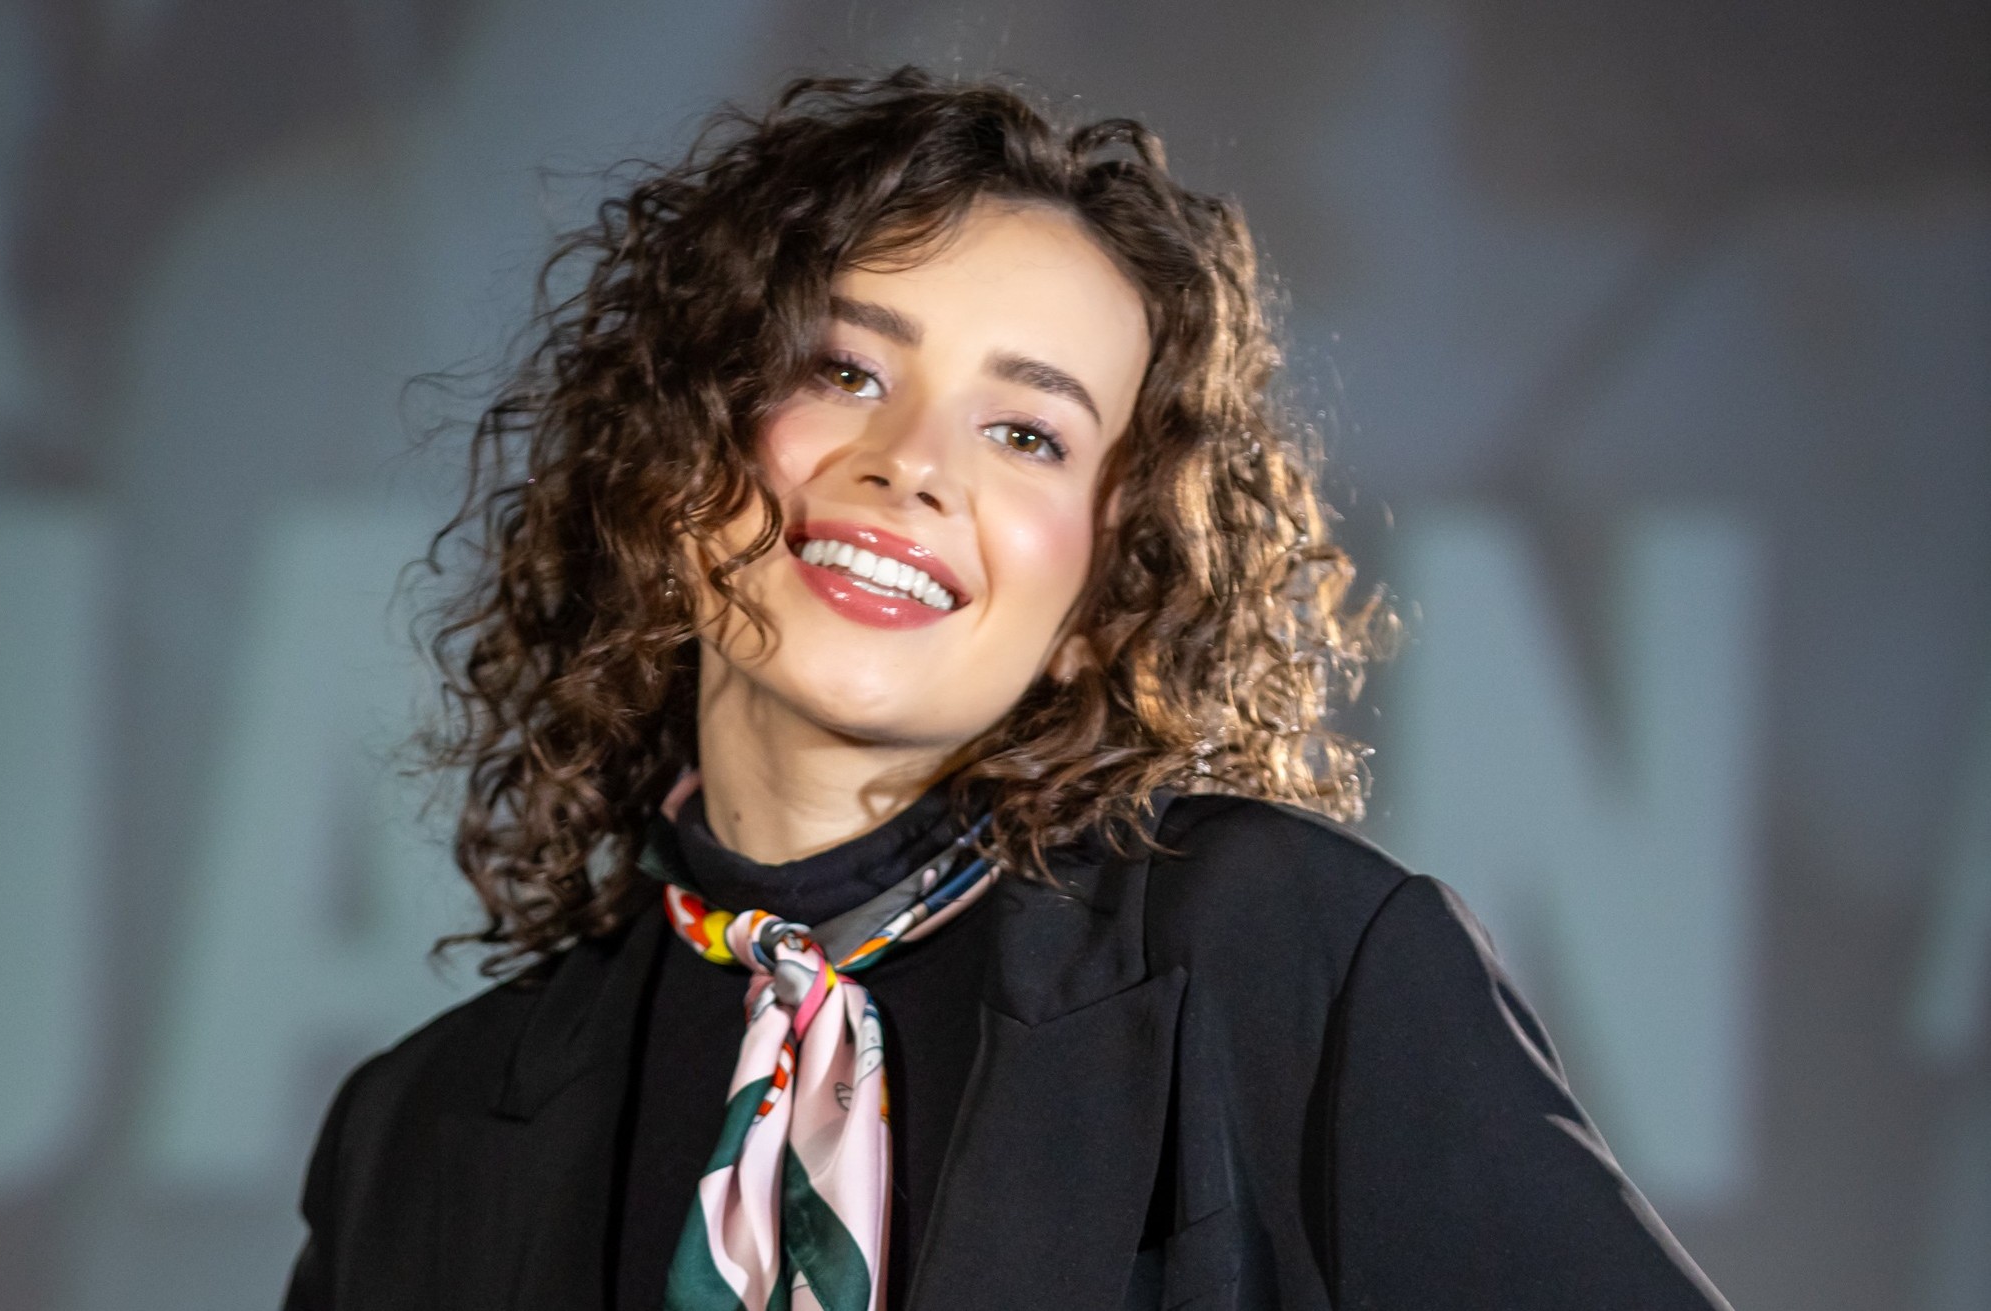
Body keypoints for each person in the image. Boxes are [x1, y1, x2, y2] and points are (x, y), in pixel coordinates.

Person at [281, 68, 1732, 1311]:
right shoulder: (411, 1137)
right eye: (845, 370)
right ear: (680, 454)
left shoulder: (1296, 959)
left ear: (1109, 595)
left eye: (1028, 434)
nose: (912, 462)